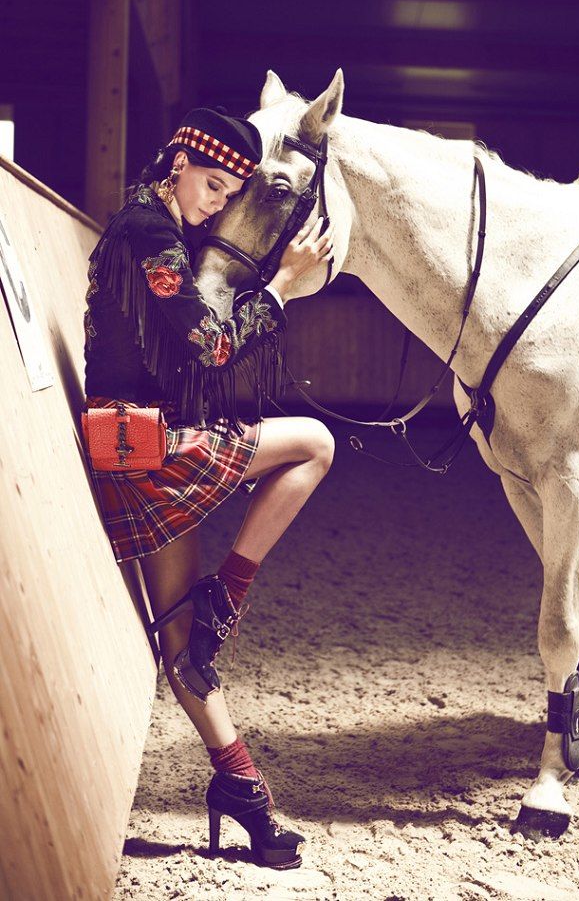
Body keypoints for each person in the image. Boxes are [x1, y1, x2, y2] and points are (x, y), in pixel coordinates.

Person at [83, 107, 335, 870]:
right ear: (179, 163)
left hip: (130, 447)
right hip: (147, 451)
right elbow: (211, 346)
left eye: (229, 195)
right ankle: (229, 594)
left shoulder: (151, 223)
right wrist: (285, 286)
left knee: (182, 646)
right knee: (315, 444)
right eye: (212, 186)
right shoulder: (149, 233)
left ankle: (243, 791)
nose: (215, 204)